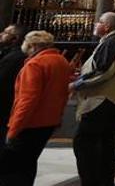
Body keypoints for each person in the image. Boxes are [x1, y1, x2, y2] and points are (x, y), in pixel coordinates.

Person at [70, 11, 115, 186]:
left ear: (107, 26)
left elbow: (103, 69)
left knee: (85, 143)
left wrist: (77, 84)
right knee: (105, 142)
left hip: (102, 100)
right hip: (111, 100)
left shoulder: (113, 42)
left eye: (99, 22)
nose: (96, 24)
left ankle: (92, 182)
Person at [0, 31, 72, 185]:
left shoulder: (35, 64)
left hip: (30, 123)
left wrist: (13, 129)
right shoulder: (61, 61)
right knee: (28, 163)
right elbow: (63, 94)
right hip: (48, 122)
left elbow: (27, 100)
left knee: (11, 169)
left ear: (31, 45)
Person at [0, 25, 26, 145]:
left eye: (6, 33)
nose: (1, 34)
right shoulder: (9, 53)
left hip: (5, 106)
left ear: (15, 39)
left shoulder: (14, 57)